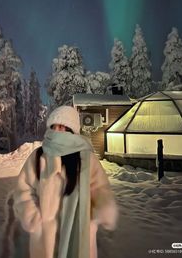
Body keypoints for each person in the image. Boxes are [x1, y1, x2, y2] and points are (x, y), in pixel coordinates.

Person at [13, 105, 118, 258]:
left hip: (79, 232)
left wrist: (101, 209)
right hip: (46, 237)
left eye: (62, 127)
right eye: (54, 127)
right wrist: (34, 217)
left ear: (72, 131)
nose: (57, 131)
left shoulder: (87, 159)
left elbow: (100, 189)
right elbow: (23, 189)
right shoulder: (39, 157)